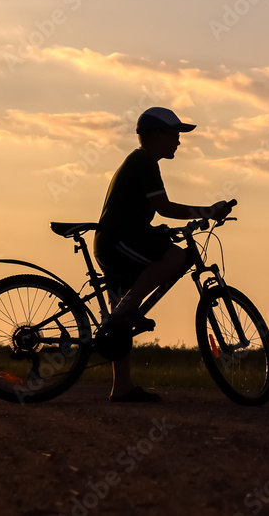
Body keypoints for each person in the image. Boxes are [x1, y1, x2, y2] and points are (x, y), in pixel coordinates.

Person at [93, 106, 232, 403]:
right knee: (175, 257)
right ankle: (126, 310)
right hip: (119, 242)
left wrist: (157, 231)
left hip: (115, 241)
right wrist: (209, 210)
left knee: (119, 321)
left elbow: (138, 212)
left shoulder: (140, 161)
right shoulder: (144, 162)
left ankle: (122, 388)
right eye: (175, 135)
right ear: (156, 135)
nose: (179, 142)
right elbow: (165, 207)